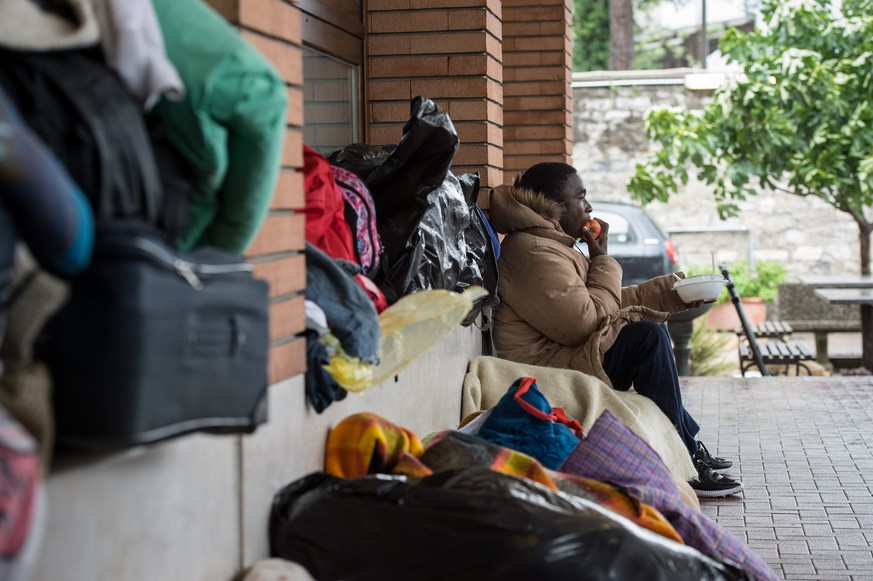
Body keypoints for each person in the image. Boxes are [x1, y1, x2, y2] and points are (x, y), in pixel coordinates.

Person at [488, 161, 742, 497]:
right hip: (548, 368)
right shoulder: (533, 252)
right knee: (645, 337)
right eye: (581, 197)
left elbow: (599, 303)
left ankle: (688, 443)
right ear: (556, 207)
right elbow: (585, 323)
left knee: (647, 330)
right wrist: (602, 258)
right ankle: (688, 458)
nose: (589, 207)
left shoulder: (550, 245)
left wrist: (672, 294)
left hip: (566, 354)